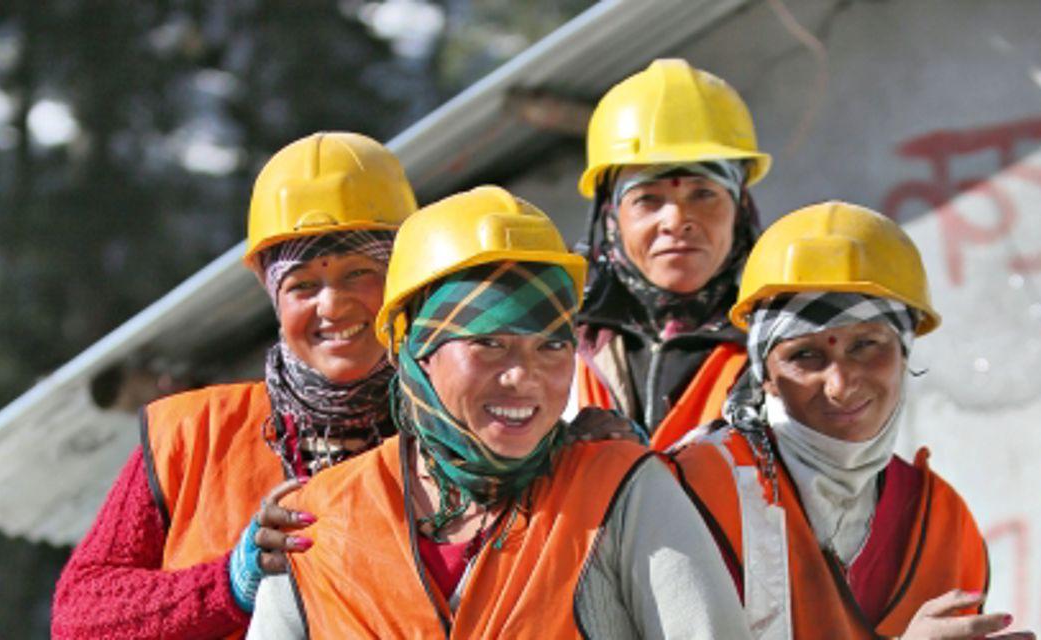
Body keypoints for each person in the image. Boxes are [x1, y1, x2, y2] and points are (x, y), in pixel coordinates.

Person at [247, 186, 749, 639]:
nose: (522, 376)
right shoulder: (320, 519)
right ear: (412, 348)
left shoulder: (622, 492)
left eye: (551, 346)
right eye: (488, 343)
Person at [51, 132, 417, 639]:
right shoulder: (188, 434)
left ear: (404, 276)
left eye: (359, 273)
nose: (332, 306)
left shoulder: (456, 433)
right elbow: (79, 617)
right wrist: (230, 583)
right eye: (303, 285)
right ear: (272, 294)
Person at [672, 201, 1033, 639]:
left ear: (904, 353)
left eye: (866, 345)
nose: (840, 384)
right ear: (764, 374)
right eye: (805, 355)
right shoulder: (695, 491)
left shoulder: (941, 520)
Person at [572, 58, 772, 449]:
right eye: (648, 199)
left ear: (740, 209)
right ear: (611, 216)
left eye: (704, 194)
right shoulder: (556, 338)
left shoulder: (783, 342)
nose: (677, 220)